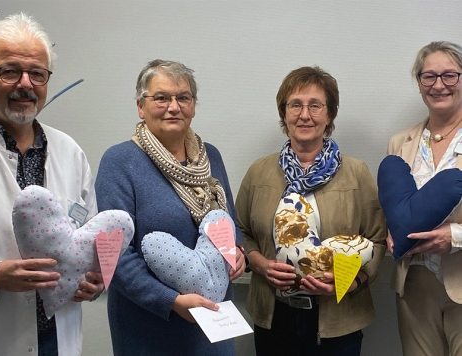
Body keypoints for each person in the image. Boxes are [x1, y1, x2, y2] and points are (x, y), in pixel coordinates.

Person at [95, 59, 246, 355]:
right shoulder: (119, 162)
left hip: (216, 322)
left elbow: (230, 222)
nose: (173, 106)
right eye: (161, 97)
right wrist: (171, 301)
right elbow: (113, 255)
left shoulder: (210, 156)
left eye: (183, 97)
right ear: (141, 106)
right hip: (151, 327)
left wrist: (238, 251)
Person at [235, 66, 386, 356]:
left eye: (315, 105)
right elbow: (240, 232)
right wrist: (260, 264)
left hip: (338, 320)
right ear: (284, 113)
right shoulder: (259, 171)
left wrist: (349, 282)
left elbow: (377, 240)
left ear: (329, 115)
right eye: (295, 105)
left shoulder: (356, 172)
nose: (305, 115)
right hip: (273, 317)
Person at [0, 13, 103, 356]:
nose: (25, 83)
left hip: (58, 337)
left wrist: (94, 281)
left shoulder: (70, 152)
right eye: (9, 70)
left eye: (37, 73)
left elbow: (90, 236)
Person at [386, 41, 462, 356]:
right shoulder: (399, 143)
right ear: (419, 83)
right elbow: (392, 205)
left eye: (450, 75)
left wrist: (455, 236)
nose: (438, 84)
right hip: (413, 284)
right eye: (428, 76)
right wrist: (391, 233)